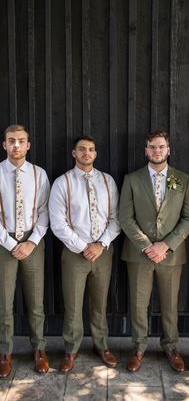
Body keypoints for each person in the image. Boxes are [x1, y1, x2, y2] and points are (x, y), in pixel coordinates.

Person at [119, 130, 189, 373]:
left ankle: (171, 347)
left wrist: (166, 244)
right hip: (139, 254)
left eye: (161, 146)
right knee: (138, 304)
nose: (157, 151)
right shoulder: (132, 179)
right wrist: (146, 245)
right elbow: (125, 217)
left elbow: (188, 218)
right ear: (146, 150)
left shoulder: (183, 179)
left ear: (169, 149)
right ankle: (139, 347)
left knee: (170, 304)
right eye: (152, 147)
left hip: (171, 254)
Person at [49, 135, 120, 373]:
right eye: (82, 149)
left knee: (100, 303)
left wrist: (101, 244)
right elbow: (57, 223)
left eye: (91, 149)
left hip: (103, 252)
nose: (86, 153)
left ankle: (102, 345)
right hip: (73, 253)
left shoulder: (107, 181)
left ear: (96, 154)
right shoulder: (63, 182)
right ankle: (71, 350)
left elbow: (116, 218)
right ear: (74, 153)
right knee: (73, 304)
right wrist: (82, 246)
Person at [0, 125, 50, 378]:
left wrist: (32, 242)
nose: (16, 145)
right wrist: (10, 244)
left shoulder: (39, 174)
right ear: (4, 145)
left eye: (21, 141)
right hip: (2, 243)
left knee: (35, 301)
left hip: (33, 242)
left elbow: (44, 211)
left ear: (28, 145)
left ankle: (39, 349)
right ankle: (5, 352)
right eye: (11, 141)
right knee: (3, 302)